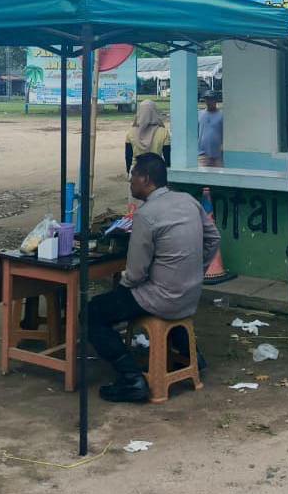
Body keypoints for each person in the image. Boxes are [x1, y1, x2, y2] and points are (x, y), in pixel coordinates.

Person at [87, 152, 220, 403]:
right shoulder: (188, 201)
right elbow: (213, 238)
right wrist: (195, 271)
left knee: (93, 312)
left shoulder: (146, 215)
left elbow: (136, 274)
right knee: (134, 301)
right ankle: (192, 356)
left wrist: (121, 288)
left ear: (146, 179)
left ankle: (131, 379)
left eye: (133, 176)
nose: (130, 181)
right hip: (191, 294)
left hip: (161, 299)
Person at [125, 99, 170, 174]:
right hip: (156, 170)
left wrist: (129, 172)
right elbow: (167, 156)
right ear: (155, 112)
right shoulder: (163, 132)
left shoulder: (131, 132)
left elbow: (128, 157)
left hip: (137, 170)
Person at [198, 91, 224, 167]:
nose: (208, 102)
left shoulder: (221, 115)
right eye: (207, 99)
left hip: (218, 155)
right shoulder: (199, 114)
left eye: (211, 99)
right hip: (202, 155)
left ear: (215, 100)